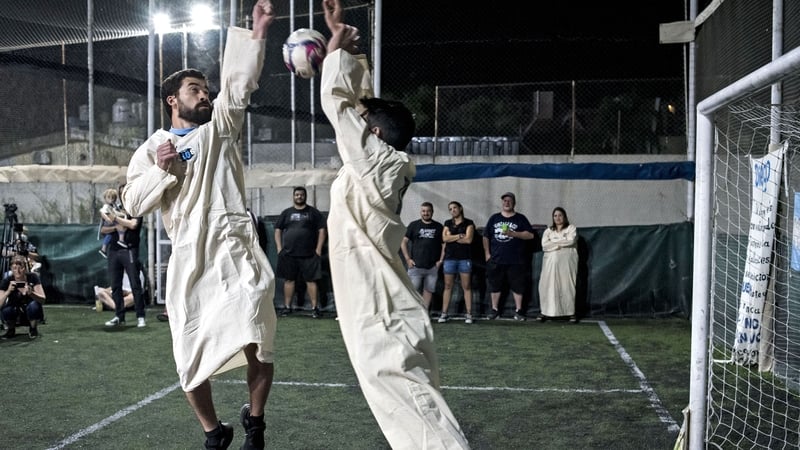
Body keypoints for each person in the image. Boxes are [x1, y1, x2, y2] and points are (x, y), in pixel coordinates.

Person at [121, 2, 277, 448]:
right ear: (173, 99)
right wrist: (162, 172)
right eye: (195, 89)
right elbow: (132, 201)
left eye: (206, 89)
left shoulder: (220, 129)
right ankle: (214, 433)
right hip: (189, 257)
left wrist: (257, 34)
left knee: (257, 335)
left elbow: (238, 86)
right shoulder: (154, 147)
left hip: (235, 247)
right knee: (189, 358)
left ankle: (256, 424)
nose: (205, 95)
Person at [320, 1, 470, 447]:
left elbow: (336, 103)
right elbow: (359, 105)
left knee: (405, 393)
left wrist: (334, 50)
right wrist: (352, 53)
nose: (358, 127)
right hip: (379, 293)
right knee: (401, 395)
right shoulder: (381, 162)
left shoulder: (379, 162)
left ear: (377, 136)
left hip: (378, 300)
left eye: (367, 126)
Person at [274, 186, 327, 318]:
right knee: (289, 280)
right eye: (297, 195)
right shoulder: (286, 213)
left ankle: (315, 308)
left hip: (309, 254)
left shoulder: (313, 212)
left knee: (311, 281)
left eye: (301, 195)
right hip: (288, 254)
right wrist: (279, 248)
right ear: (293, 196)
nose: (299, 197)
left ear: (305, 196)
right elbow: (277, 230)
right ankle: (287, 307)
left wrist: (319, 249)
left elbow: (322, 230)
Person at [483, 192, 535, 321]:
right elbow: (486, 236)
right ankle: (494, 310)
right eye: (504, 200)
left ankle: (519, 311)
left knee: (518, 285)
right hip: (496, 258)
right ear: (502, 203)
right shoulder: (494, 218)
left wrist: (514, 234)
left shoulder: (520, 218)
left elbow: (530, 235)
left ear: (514, 203)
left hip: (516, 260)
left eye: (509, 200)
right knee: (495, 285)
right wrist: (487, 254)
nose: (507, 202)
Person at [101, 184, 146, 329]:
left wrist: (116, 218)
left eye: (126, 192)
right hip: (114, 251)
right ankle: (119, 316)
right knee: (115, 285)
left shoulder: (137, 209)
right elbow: (103, 228)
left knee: (135, 283)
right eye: (121, 193)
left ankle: (140, 316)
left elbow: (133, 224)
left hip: (130, 250)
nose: (123, 195)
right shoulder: (115, 208)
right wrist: (113, 224)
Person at [400, 201, 444, 312]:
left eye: (428, 211)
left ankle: (424, 312)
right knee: (412, 290)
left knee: (428, 290)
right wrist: (407, 259)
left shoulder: (439, 227)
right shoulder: (413, 225)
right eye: (423, 211)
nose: (426, 213)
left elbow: (444, 245)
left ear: (432, 212)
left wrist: (441, 261)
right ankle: (411, 313)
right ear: (421, 212)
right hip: (415, 266)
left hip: (432, 267)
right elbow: (403, 242)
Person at [538, 206, 579, 323]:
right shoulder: (548, 231)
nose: (557, 218)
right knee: (547, 287)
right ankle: (545, 312)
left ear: (565, 217)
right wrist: (560, 244)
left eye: (560, 215)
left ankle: (570, 313)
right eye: (555, 216)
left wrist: (554, 243)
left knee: (567, 287)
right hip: (550, 266)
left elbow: (571, 240)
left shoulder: (571, 228)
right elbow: (545, 245)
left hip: (567, 265)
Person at [439, 201, 476, 324]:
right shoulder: (447, 223)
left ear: (460, 208)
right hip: (450, 258)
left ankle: (469, 314)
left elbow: (469, 240)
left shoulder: (469, 223)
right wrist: (460, 236)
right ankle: (444, 314)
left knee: (466, 286)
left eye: (455, 208)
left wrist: (452, 237)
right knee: (448, 286)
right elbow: (444, 239)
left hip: (464, 259)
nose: (453, 210)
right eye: (450, 209)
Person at [0, 255, 45, 339]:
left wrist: (31, 293)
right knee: (6, 309)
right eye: (14, 268)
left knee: (34, 305)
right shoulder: (7, 281)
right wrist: (8, 292)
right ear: (11, 269)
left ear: (25, 268)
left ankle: (33, 329)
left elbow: (43, 299)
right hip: (15, 311)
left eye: (20, 268)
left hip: (30, 310)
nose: (17, 271)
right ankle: (10, 330)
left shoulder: (32, 277)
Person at [98, 187, 127, 258]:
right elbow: (103, 212)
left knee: (109, 236)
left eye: (113, 198)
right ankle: (121, 239)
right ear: (105, 198)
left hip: (112, 222)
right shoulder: (107, 206)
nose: (111, 199)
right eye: (109, 197)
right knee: (120, 227)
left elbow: (116, 212)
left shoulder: (115, 206)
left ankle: (103, 249)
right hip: (110, 222)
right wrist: (107, 218)